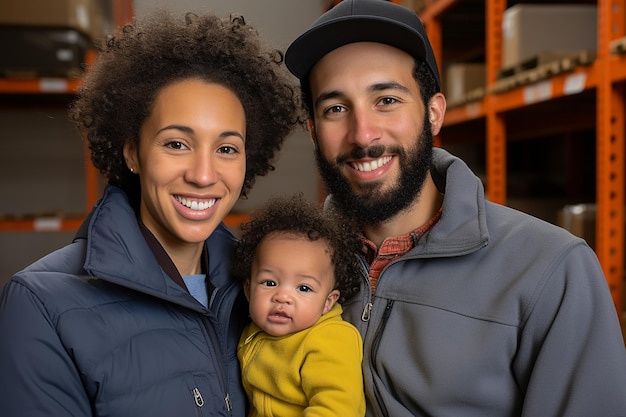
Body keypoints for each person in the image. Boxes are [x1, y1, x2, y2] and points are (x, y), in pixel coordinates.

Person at [284, 0, 626, 416]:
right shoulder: (289, 265)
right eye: (335, 109)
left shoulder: (552, 271)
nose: (363, 134)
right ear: (313, 132)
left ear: (433, 114)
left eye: (387, 100)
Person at [0, 10, 302, 417]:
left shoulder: (265, 287)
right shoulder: (41, 305)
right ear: (132, 153)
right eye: (176, 144)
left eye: (227, 148)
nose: (203, 174)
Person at [233, 194, 366, 416]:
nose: (282, 297)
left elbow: (337, 408)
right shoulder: (251, 331)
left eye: (303, 288)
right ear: (248, 290)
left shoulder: (330, 339)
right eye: (270, 282)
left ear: (327, 302)